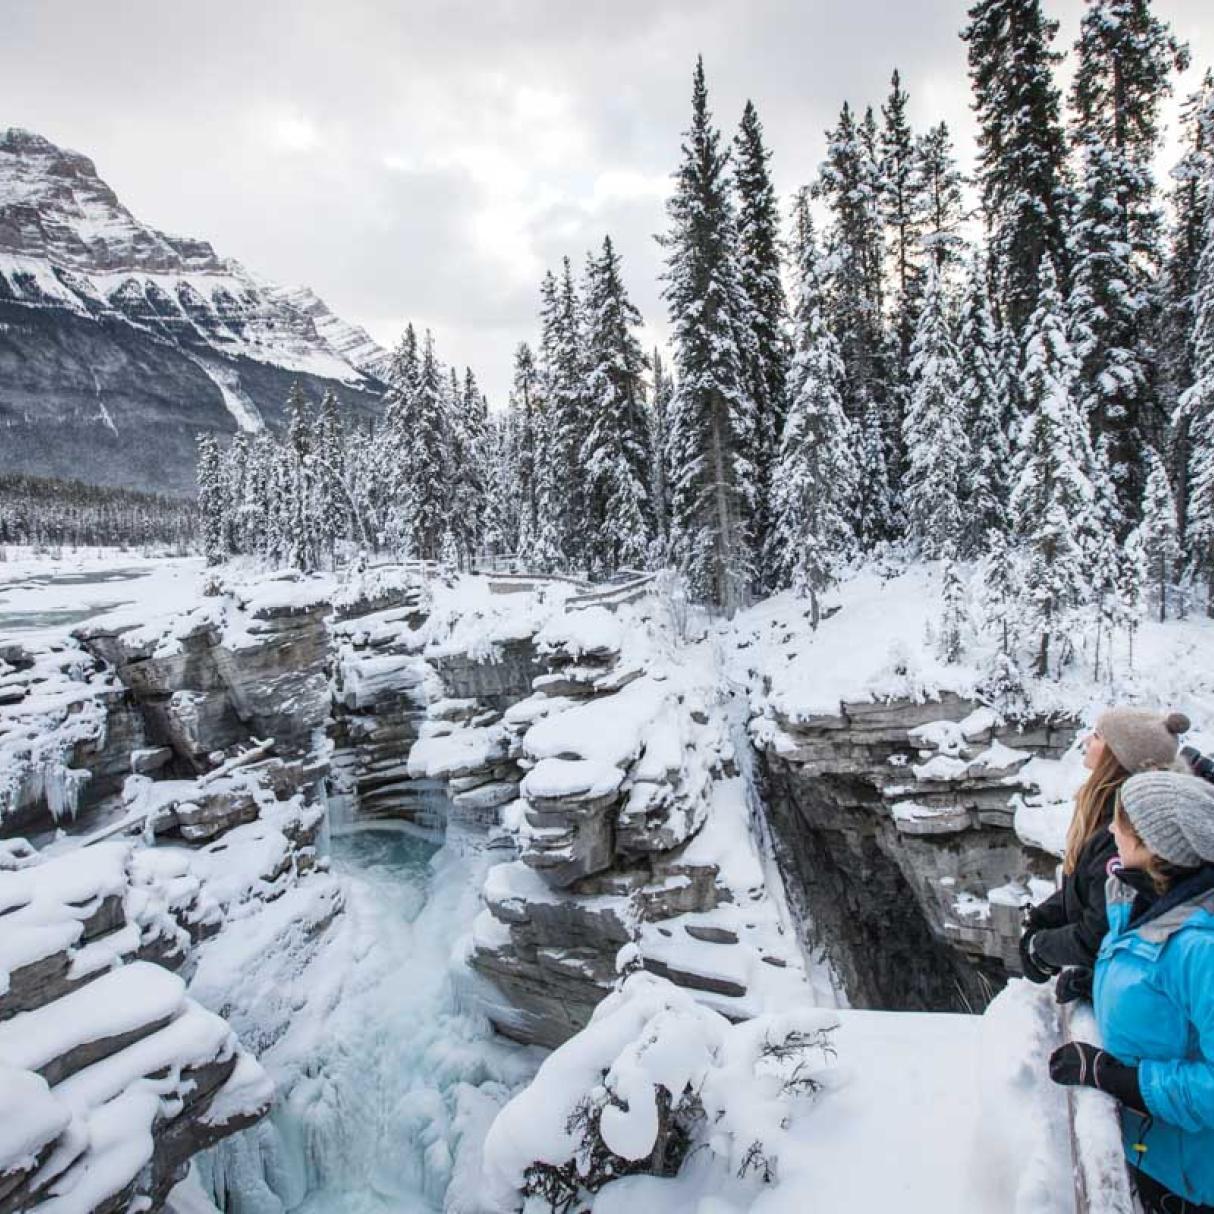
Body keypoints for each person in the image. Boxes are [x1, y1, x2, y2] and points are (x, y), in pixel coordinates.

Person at [1048, 771, 1214, 1213]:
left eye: (1121, 822)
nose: (1111, 831)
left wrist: (1114, 1078)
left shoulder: (1201, 948)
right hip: (1161, 1157)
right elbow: (1163, 1003)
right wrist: (1100, 984)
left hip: (1197, 1180)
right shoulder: (1141, 902)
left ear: (1153, 844)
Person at [1020, 709, 1190, 997]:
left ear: (1117, 756)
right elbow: (1089, 886)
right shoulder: (1107, 810)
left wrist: (1041, 948)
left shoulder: (1127, 828)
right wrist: (1042, 918)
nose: (1087, 740)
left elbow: (1103, 929)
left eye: (1097, 736)